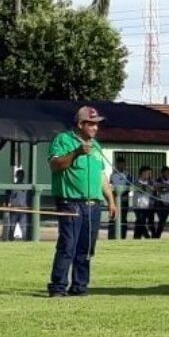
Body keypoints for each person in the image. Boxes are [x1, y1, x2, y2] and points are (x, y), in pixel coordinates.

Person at [47, 105, 117, 298]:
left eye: (97, 124)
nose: (95, 128)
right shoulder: (63, 140)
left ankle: (80, 286)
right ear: (80, 124)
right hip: (70, 202)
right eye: (91, 124)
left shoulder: (96, 146)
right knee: (68, 245)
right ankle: (58, 286)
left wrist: (111, 200)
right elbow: (55, 165)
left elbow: (101, 175)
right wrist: (77, 152)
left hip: (93, 205)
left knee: (86, 247)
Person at [107, 156, 132, 240]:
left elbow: (129, 187)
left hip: (124, 201)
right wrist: (114, 197)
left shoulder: (127, 175)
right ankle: (111, 237)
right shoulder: (112, 175)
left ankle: (123, 237)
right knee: (113, 218)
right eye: (119, 164)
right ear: (116, 164)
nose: (121, 166)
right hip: (114, 201)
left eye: (122, 164)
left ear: (124, 165)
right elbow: (110, 186)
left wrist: (120, 194)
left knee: (123, 219)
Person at [152, 166, 169, 239]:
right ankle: (156, 235)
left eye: (168, 173)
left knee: (163, 220)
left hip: (168, 202)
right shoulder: (159, 180)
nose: (166, 175)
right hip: (160, 202)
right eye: (165, 173)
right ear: (162, 173)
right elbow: (156, 188)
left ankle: (156, 235)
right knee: (161, 219)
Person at [131, 166, 155, 239]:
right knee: (140, 222)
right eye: (148, 173)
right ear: (143, 173)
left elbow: (152, 191)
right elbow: (142, 189)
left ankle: (137, 237)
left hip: (148, 206)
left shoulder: (151, 183)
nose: (149, 175)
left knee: (141, 222)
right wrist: (148, 187)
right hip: (138, 206)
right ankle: (146, 237)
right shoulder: (136, 182)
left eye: (150, 173)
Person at [6, 168, 29, 241]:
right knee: (12, 227)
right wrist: (8, 204)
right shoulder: (12, 187)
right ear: (16, 176)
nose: (20, 177)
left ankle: (25, 240)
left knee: (24, 227)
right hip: (14, 209)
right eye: (19, 175)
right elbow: (7, 197)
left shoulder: (26, 187)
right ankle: (10, 240)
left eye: (22, 175)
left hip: (23, 210)